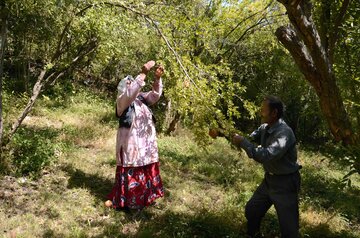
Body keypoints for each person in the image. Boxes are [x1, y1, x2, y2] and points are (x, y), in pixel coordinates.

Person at [211, 96, 301, 238]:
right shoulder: (265, 128)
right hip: (269, 181)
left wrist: (244, 143)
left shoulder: (284, 133)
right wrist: (221, 133)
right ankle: (253, 234)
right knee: (252, 210)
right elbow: (247, 138)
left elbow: (266, 155)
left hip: (285, 183)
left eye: (263, 110)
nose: (260, 113)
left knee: (289, 229)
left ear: (274, 113)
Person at [105, 60, 165, 211]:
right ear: (125, 87)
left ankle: (146, 198)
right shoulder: (122, 101)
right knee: (133, 166)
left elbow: (155, 95)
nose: (134, 84)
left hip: (145, 145)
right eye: (130, 83)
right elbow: (130, 94)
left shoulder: (141, 99)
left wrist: (157, 79)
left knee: (145, 165)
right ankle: (130, 201)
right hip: (131, 144)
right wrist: (143, 73)